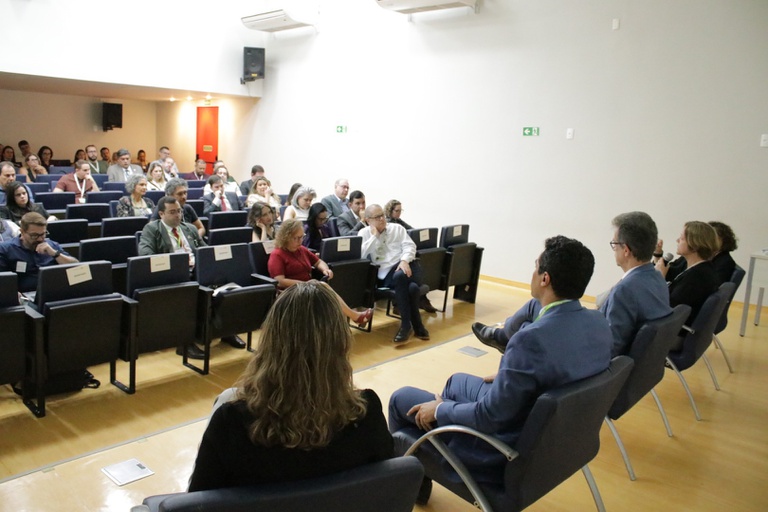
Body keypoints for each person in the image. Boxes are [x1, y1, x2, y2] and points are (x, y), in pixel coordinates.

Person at [388, 235, 613, 485]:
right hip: (555, 442)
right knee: (455, 382)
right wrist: (514, 374)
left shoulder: (530, 340)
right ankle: (440, 440)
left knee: (401, 398)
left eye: (535, 266)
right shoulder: (599, 323)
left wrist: (440, 410)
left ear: (544, 278)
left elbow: (488, 417)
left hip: (500, 450)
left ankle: (412, 481)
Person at [188, 281, 392, 491]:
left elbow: (197, 502)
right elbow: (384, 488)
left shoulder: (231, 423)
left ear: (270, 341)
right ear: (341, 344)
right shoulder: (367, 414)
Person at [268, 219, 373, 327]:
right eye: (296, 238)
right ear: (286, 237)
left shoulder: (301, 250)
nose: (300, 241)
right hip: (289, 292)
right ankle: (354, 317)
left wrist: (325, 269)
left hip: (307, 288)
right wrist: (304, 284)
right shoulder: (277, 254)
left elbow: (318, 261)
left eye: (302, 237)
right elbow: (280, 281)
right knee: (324, 290)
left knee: (325, 291)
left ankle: (349, 320)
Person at [360, 204, 429, 343]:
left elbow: (410, 246)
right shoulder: (364, 233)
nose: (382, 219)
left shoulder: (397, 228)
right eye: (377, 217)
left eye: (382, 215)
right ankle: (416, 325)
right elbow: (361, 254)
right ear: (368, 220)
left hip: (406, 267)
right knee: (412, 288)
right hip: (386, 275)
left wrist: (404, 261)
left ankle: (406, 326)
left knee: (401, 275)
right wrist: (374, 237)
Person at [655, 221, 719, 329]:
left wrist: (660, 279)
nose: (677, 240)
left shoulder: (696, 279)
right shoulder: (700, 268)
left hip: (670, 332)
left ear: (694, 246)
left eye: (682, 238)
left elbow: (665, 309)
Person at [0, 212, 78, 292]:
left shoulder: (51, 245)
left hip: (56, 291)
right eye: (34, 235)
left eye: (43, 234)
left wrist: (55, 254)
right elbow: (3, 280)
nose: (40, 239)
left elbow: (77, 268)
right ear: (22, 232)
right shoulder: (5, 249)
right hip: (25, 295)